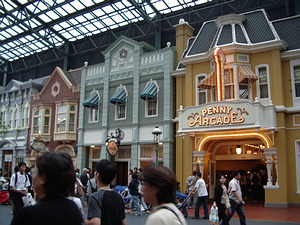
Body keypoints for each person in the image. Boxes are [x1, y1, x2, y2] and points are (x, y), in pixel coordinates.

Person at [11, 152, 84, 225]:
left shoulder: (28, 215)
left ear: (42, 179)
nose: (33, 177)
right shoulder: (73, 208)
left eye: (36, 172)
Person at [86, 159, 126, 225]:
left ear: (97, 175)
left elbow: (95, 222)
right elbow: (123, 222)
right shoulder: (118, 197)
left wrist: (82, 221)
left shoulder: (95, 197)